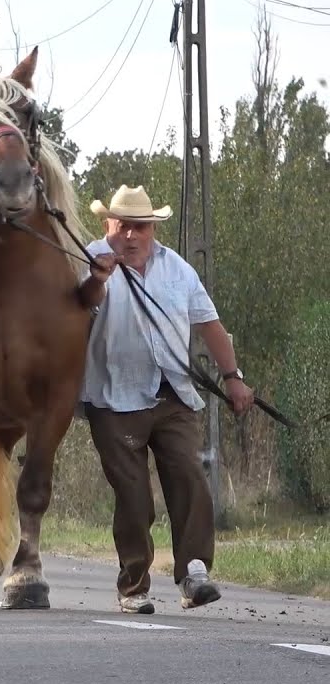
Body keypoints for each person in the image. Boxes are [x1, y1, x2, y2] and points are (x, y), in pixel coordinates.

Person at [77, 185, 254, 615]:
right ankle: (133, 587)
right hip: (114, 398)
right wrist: (98, 279)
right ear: (108, 226)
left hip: (172, 392)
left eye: (141, 227)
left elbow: (209, 324)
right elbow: (78, 304)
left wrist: (233, 379)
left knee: (189, 478)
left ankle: (194, 573)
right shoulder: (90, 258)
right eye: (124, 227)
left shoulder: (176, 269)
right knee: (134, 496)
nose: (132, 236)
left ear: (153, 228)